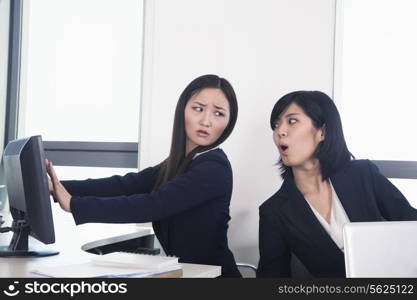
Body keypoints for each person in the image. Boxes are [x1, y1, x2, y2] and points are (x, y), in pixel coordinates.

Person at [47, 74, 242, 277]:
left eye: (218, 114)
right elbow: (125, 185)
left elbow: (153, 205)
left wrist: (74, 205)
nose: (206, 121)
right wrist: (56, 185)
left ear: (228, 123)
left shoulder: (213, 168)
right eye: (198, 108)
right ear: (183, 110)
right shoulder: (181, 163)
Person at [257, 90, 417, 277]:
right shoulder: (274, 211)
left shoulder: (363, 175)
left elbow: (411, 224)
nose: (279, 131)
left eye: (292, 121)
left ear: (322, 131)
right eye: (276, 125)